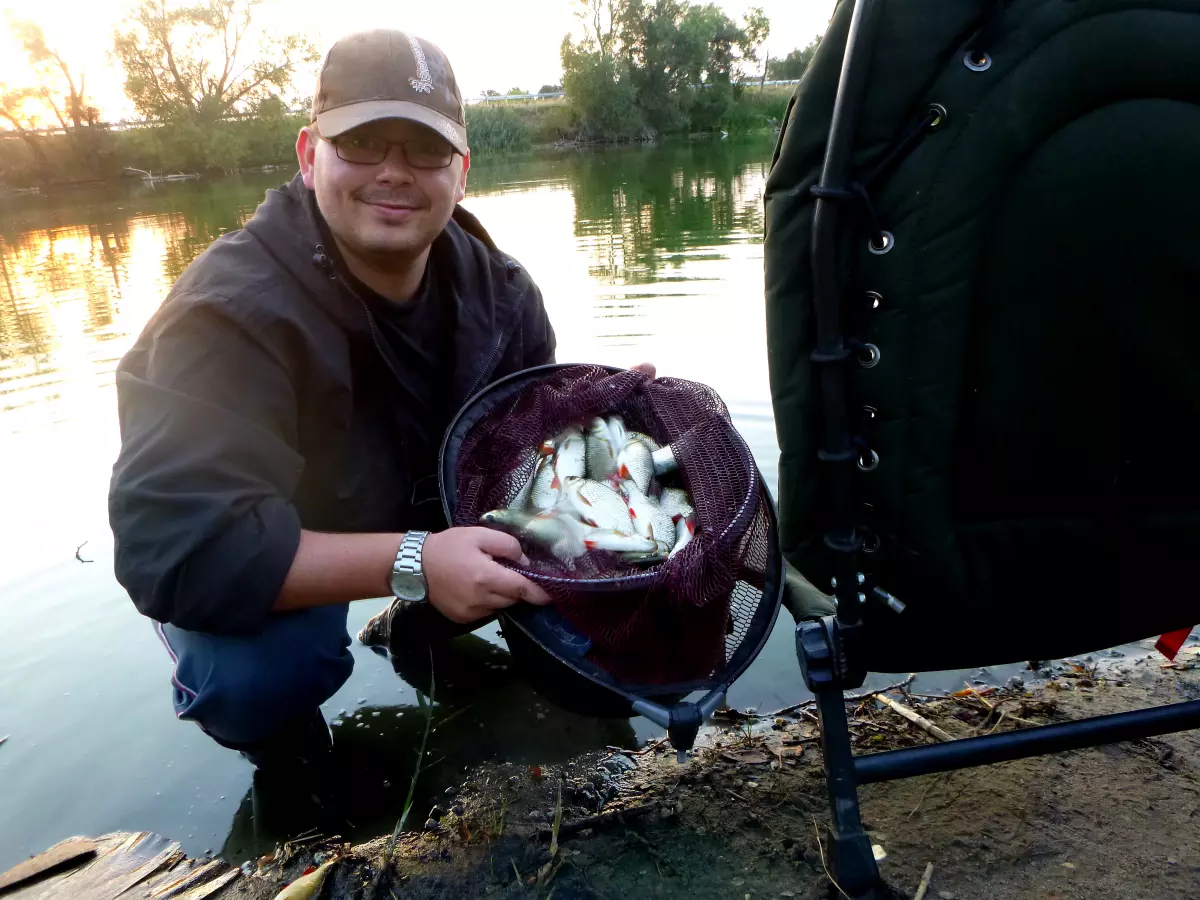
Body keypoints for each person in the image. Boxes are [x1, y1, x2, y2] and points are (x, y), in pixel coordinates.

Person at [107, 28, 652, 778]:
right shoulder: (225, 315)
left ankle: (416, 630)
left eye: (426, 150)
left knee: (601, 581)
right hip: (263, 536)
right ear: (308, 155)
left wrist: (603, 439)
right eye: (362, 142)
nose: (395, 172)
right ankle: (289, 755)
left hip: (425, 511)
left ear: (461, 172)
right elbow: (179, 554)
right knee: (257, 679)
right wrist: (415, 561)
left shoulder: (506, 294)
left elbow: (533, 470)